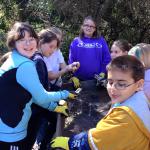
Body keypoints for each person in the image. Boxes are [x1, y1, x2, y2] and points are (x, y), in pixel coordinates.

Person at [0, 22, 74, 150]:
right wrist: (65, 94)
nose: (28, 44)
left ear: (36, 40)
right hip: (11, 130)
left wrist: (52, 106)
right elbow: (41, 97)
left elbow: (31, 94)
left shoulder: (16, 59)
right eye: (22, 40)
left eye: (31, 39)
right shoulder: (25, 65)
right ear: (14, 43)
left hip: (8, 125)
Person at [50, 55, 150, 150]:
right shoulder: (140, 99)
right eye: (110, 82)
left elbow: (97, 140)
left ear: (139, 84)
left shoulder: (125, 117)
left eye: (121, 84)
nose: (113, 89)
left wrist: (71, 143)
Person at [29, 29, 71, 150]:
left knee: (53, 121)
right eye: (51, 46)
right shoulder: (38, 61)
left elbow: (45, 85)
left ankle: (44, 145)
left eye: (55, 47)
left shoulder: (38, 58)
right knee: (32, 134)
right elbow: (40, 92)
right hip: (34, 108)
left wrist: (62, 95)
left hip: (39, 105)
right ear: (40, 42)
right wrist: (61, 97)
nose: (52, 51)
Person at [68, 16, 111, 84]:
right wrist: (73, 75)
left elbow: (107, 58)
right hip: (79, 80)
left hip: (97, 80)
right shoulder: (76, 41)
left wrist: (103, 72)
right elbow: (71, 59)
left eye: (91, 26)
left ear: (95, 29)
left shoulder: (101, 40)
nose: (89, 28)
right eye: (86, 25)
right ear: (82, 27)